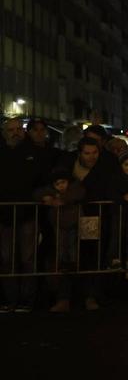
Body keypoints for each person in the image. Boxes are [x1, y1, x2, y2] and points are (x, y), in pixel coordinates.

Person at [1, 117, 51, 313]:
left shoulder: (34, 153)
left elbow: (41, 180)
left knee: (27, 258)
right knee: (7, 259)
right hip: (4, 215)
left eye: (18, 129)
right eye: (11, 129)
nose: (15, 133)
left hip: (27, 213)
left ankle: (26, 299)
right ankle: (10, 298)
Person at [34, 167, 86, 312]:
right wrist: (47, 198)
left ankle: (72, 262)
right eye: (58, 184)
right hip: (58, 223)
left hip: (73, 222)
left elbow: (79, 192)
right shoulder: (51, 192)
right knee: (61, 244)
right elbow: (38, 193)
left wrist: (62, 199)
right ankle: (63, 262)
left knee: (72, 244)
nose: (61, 186)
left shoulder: (73, 189)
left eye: (63, 182)